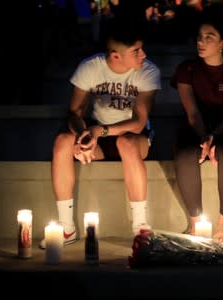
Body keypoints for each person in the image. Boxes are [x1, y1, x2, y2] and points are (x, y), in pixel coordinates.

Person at [39, 19, 162, 249]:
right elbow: (74, 112)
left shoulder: (148, 71)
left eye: (142, 48)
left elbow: (138, 122)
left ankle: (140, 228)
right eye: (136, 51)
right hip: (99, 137)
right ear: (116, 56)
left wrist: (99, 130)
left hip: (133, 139)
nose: (143, 54)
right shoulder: (91, 67)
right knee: (62, 141)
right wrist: (82, 137)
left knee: (126, 142)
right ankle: (66, 229)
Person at [170, 3, 223, 246]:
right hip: (195, 128)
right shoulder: (187, 69)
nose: (201, 42)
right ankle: (195, 223)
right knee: (185, 153)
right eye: (199, 37)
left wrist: (213, 137)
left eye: (209, 37)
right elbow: (192, 113)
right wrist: (203, 138)